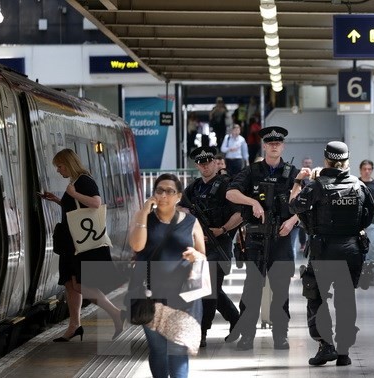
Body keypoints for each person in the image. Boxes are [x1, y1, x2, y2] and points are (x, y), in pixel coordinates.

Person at [289, 141, 374, 367]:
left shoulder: (316, 186)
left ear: (326, 160)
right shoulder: (358, 185)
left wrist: (299, 181)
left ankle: (325, 345)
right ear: (347, 161)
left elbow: (294, 206)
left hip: (323, 250)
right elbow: (369, 215)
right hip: (352, 250)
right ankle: (344, 351)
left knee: (315, 295)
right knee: (346, 299)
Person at [226, 126, 299, 351]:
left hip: (281, 238)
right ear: (264, 146)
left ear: (283, 146)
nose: (275, 146)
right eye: (270, 143)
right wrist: (253, 202)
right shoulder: (252, 171)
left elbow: (306, 204)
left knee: (281, 291)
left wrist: (292, 221)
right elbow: (230, 193)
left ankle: (281, 336)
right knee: (252, 290)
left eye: (278, 143)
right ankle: (247, 336)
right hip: (256, 238)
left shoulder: (293, 172)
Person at [40, 148, 123, 342]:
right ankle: (74, 325)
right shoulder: (75, 183)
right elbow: (77, 210)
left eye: (60, 166)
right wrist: (59, 200)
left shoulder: (84, 180)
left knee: (79, 285)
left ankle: (115, 313)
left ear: (69, 163)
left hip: (79, 243)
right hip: (71, 243)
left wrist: (74, 194)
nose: (58, 171)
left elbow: (95, 203)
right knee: (69, 284)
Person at [128, 173, 207, 378]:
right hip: (149, 294)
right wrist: (144, 213)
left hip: (183, 296)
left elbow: (203, 255)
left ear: (179, 196)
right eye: (160, 190)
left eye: (170, 191)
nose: (164, 195)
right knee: (159, 350)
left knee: (178, 349)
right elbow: (137, 246)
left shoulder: (191, 222)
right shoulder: (142, 217)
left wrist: (195, 255)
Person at [179, 147, 242, 348]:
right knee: (209, 288)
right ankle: (236, 319)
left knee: (209, 290)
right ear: (197, 165)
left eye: (208, 162)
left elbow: (240, 214)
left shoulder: (227, 186)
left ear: (216, 163)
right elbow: (180, 207)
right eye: (201, 163)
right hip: (198, 246)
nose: (205, 166)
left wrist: (222, 229)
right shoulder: (194, 188)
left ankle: (202, 331)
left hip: (219, 243)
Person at [358, 160, 374, 281]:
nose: (367, 171)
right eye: (365, 169)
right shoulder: (355, 183)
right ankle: (359, 274)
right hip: (357, 222)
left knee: (372, 247)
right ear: (361, 170)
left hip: (372, 221)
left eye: (369, 169)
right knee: (357, 248)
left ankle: (369, 274)